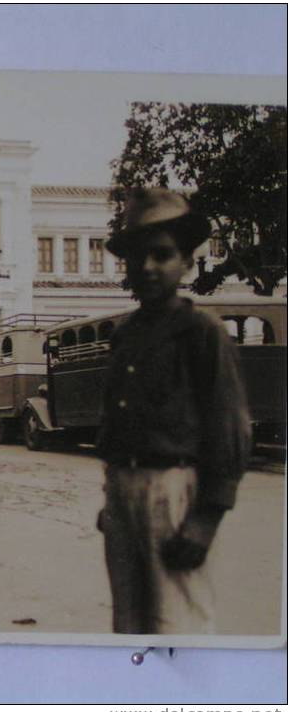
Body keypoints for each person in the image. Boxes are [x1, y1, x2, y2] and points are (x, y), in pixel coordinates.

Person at [97, 188, 251, 635]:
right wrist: (114, 496)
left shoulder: (203, 333)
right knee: (129, 622)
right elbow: (118, 419)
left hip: (174, 492)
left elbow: (228, 427)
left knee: (176, 621)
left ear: (186, 261)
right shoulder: (124, 334)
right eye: (137, 257)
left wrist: (206, 518)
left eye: (162, 255)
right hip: (124, 490)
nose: (147, 267)